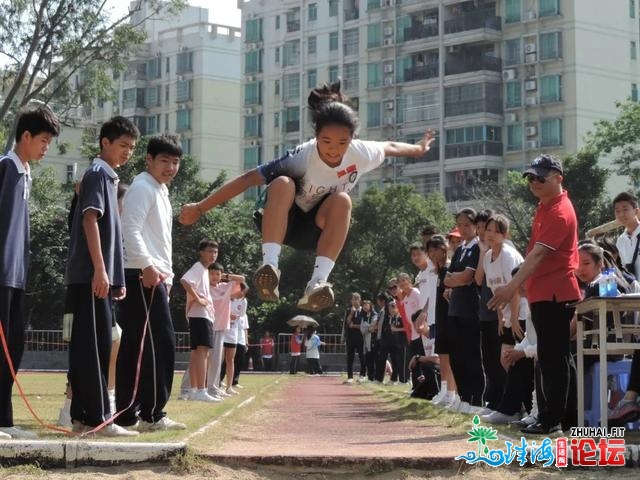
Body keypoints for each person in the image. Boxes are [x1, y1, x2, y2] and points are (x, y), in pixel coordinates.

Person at [179, 81, 435, 312]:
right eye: (326, 142)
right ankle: (270, 266)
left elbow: (389, 147)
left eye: (341, 143)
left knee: (343, 200)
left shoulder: (362, 153)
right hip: (280, 220)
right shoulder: (302, 156)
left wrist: (418, 149)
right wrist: (200, 208)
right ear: (316, 137)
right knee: (282, 182)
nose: (334, 150)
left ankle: (317, 282)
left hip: (316, 230)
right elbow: (248, 179)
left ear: (352, 139)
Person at [489, 154, 581, 435]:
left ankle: (553, 419)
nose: (534, 182)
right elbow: (535, 253)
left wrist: (512, 286)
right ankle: (549, 415)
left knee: (554, 358)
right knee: (549, 356)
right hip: (543, 292)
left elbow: (539, 254)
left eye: (541, 177)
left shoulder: (560, 211)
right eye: (530, 177)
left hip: (556, 293)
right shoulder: (544, 207)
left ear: (558, 178)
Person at [65, 116, 139, 436]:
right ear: (105, 143)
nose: (127, 153)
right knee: (93, 348)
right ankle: (98, 418)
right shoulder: (96, 174)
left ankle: (82, 416)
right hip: (88, 277)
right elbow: (90, 222)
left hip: (101, 279)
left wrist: (117, 279)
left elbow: (112, 236)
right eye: (123, 145)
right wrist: (100, 269)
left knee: (92, 346)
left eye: (132, 148)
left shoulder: (109, 179)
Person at [115, 134, 186, 432]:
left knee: (135, 345)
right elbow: (129, 230)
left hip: (153, 275)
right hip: (141, 274)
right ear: (149, 160)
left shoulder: (160, 190)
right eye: (164, 161)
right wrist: (147, 267)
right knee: (161, 343)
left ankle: (129, 414)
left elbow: (159, 240)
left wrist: (164, 275)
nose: (170, 167)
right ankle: (152, 414)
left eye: (175, 162)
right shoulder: (143, 187)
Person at [0, 105, 59, 440]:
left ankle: (5, 420)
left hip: (16, 276)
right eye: (43, 140)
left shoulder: (24, 172)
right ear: (24, 136)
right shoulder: (6, 168)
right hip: (1, 275)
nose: (46, 147)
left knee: (14, 347)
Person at [478, 214, 524, 414]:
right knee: (505, 359)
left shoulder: (507, 255)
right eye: (488, 230)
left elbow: (515, 288)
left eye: (496, 231)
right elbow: (496, 291)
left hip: (523, 311)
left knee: (516, 359)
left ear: (505, 235)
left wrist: (514, 318)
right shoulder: (488, 257)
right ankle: (516, 404)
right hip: (506, 314)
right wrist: (501, 318)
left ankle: (522, 406)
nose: (491, 234)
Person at [444, 208, 484, 412]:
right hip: (455, 309)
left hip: (471, 308)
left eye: (467, 225)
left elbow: (467, 277)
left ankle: (476, 398)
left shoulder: (478, 248)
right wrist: (456, 280)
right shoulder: (460, 249)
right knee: (456, 355)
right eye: (460, 225)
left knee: (471, 355)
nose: (463, 229)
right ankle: (464, 395)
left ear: (475, 226)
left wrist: (456, 280)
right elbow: (447, 279)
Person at [180, 240, 219, 403]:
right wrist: (198, 299)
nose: (213, 255)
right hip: (200, 314)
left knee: (198, 353)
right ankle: (201, 390)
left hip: (202, 315)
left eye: (215, 252)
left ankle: (195, 390)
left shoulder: (204, 270)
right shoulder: (198, 267)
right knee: (202, 352)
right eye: (210, 251)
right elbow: (184, 281)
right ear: (201, 252)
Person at [426, 235, 459, 407]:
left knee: (450, 355)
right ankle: (445, 390)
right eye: (430, 251)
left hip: (449, 316)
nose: (432, 254)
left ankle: (452, 392)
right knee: (443, 355)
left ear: (443, 249)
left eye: (435, 250)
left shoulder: (448, 268)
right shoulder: (437, 272)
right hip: (439, 317)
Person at [221, 282, 249, 395]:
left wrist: (234, 317)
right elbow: (218, 312)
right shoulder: (225, 296)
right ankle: (216, 384)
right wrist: (228, 316)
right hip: (222, 330)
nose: (243, 295)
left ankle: (229, 387)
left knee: (230, 359)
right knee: (220, 360)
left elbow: (241, 316)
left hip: (233, 332)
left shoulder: (243, 301)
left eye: (245, 293)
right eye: (242, 292)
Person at [614, 191, 640, 279]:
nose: (621, 214)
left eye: (625, 209)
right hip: (634, 291)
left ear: (636, 211)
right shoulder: (620, 241)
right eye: (617, 211)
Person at [231, 283, 250, 387]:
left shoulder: (244, 315)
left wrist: (247, 343)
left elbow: (245, 329)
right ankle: (221, 380)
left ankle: (235, 380)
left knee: (239, 360)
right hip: (231, 337)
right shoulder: (230, 302)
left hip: (241, 339)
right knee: (228, 360)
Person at [344, 292, 365, 383]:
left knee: (362, 357)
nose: (355, 301)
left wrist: (355, 326)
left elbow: (364, 325)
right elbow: (347, 323)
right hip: (350, 337)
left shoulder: (364, 310)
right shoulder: (349, 310)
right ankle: (350, 377)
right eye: (353, 299)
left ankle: (362, 375)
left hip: (361, 337)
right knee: (350, 357)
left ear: (360, 300)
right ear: (351, 300)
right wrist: (351, 313)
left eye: (357, 299)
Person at [359, 300, 378, 382]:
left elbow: (373, 327)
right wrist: (368, 328)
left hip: (374, 339)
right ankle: (370, 377)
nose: (365, 307)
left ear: (370, 306)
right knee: (368, 359)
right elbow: (362, 329)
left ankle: (376, 377)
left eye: (367, 305)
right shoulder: (363, 316)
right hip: (366, 341)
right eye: (363, 305)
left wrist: (368, 328)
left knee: (375, 359)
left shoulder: (375, 315)